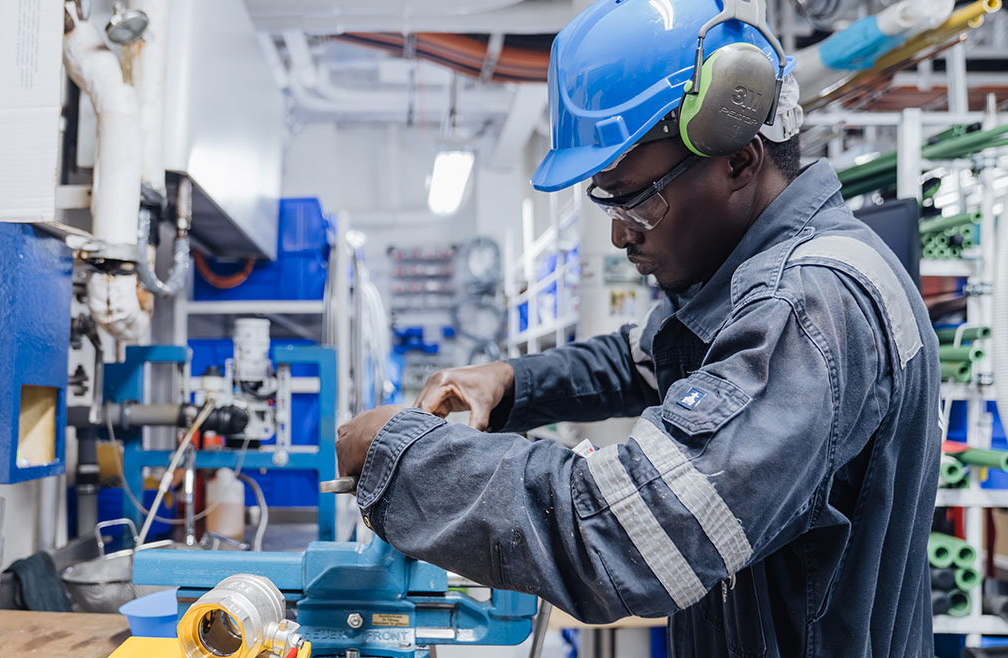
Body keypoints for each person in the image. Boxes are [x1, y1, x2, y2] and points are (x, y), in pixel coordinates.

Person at [334, 0, 940, 655]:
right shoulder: (742, 284)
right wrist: (511, 381)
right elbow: (643, 359)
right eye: (609, 204)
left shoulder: (809, 303)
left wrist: (407, 458)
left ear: (738, 160)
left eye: (636, 200)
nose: (621, 235)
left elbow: (633, 534)